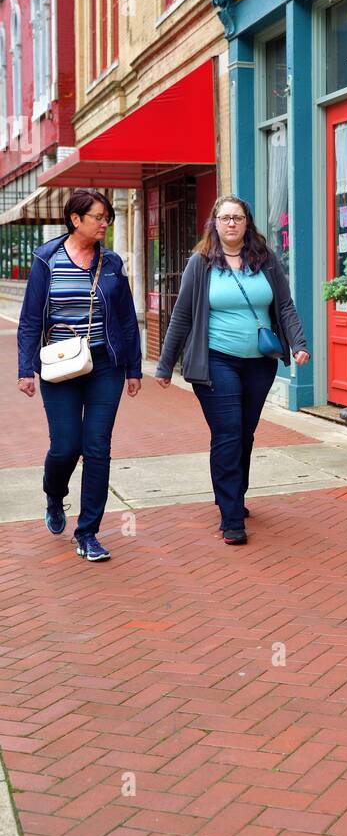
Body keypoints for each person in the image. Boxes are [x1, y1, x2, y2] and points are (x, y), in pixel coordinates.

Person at [154, 195, 310, 545]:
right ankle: (230, 516)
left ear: (247, 223)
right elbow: (182, 315)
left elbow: (284, 305)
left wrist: (299, 343)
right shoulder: (201, 263)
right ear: (215, 223)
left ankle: (235, 494)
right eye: (224, 218)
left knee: (245, 432)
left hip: (259, 363)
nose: (231, 224)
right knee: (227, 432)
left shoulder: (265, 260)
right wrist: (165, 364)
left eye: (237, 218)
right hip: (216, 360)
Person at [17, 189, 142, 562]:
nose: (105, 223)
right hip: (59, 367)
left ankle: (87, 532)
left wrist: (134, 368)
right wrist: (26, 369)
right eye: (99, 217)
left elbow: (126, 319)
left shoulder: (113, 262)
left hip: (105, 365)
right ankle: (54, 493)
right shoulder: (46, 259)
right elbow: (29, 321)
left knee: (97, 447)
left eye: (108, 218)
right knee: (66, 446)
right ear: (76, 219)